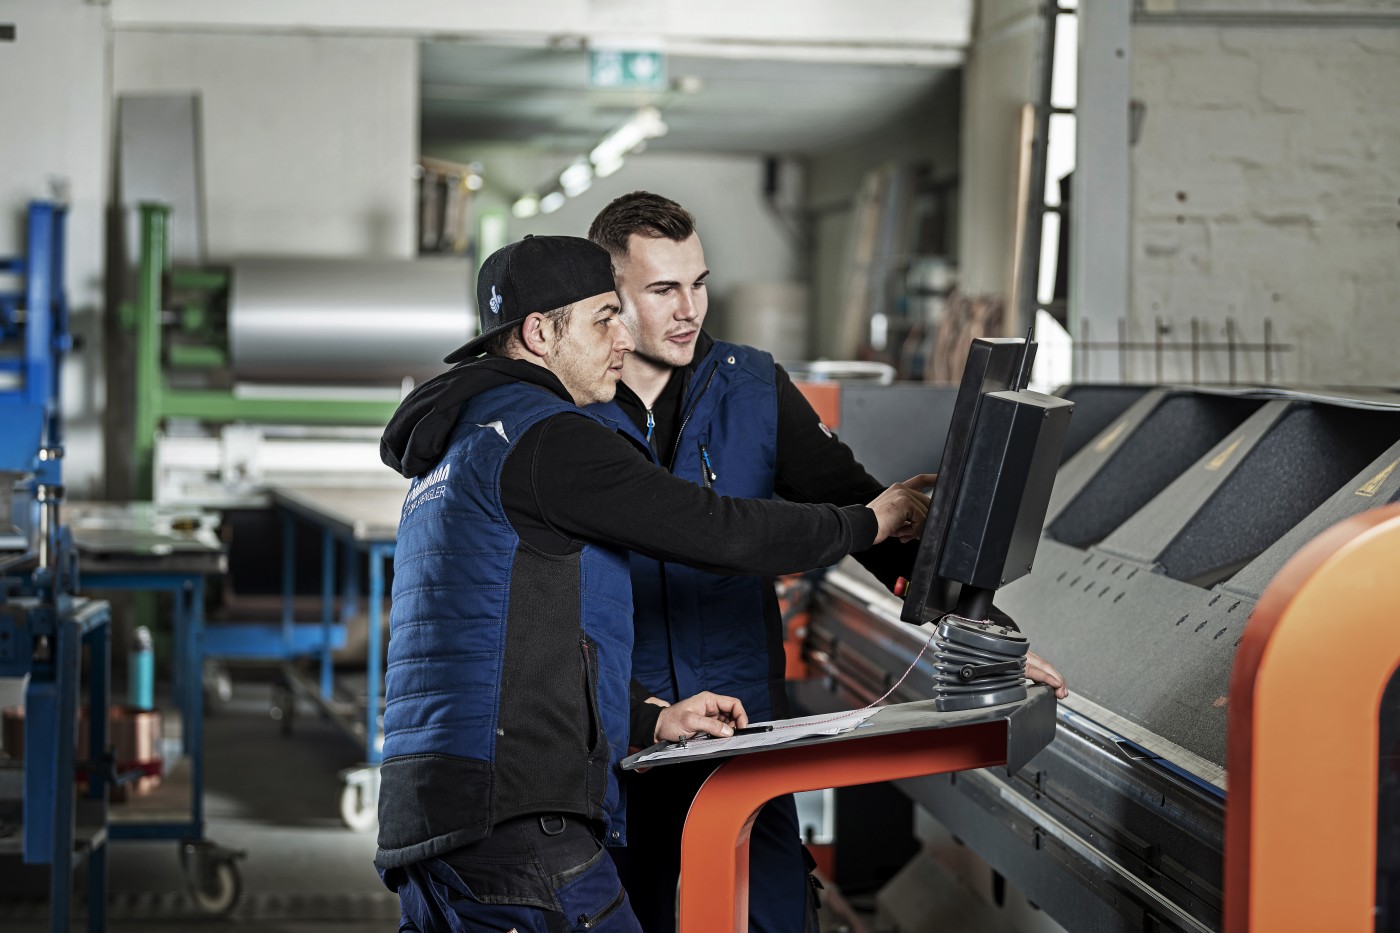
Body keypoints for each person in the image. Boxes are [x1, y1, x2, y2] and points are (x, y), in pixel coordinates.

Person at [374, 233, 933, 933]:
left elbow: (523, 639)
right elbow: (716, 529)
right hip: (518, 825)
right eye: (605, 317)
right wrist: (872, 521)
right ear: (541, 333)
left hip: (433, 823)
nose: (622, 336)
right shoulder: (549, 436)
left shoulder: (456, 447)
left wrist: (648, 719)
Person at [587, 191, 1070, 933]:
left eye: (700, 282)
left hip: (739, 728)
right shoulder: (570, 410)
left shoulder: (750, 386)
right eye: (663, 289)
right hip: (624, 730)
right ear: (610, 298)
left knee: (774, 910)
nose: (691, 308)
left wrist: (984, 634)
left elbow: (859, 508)